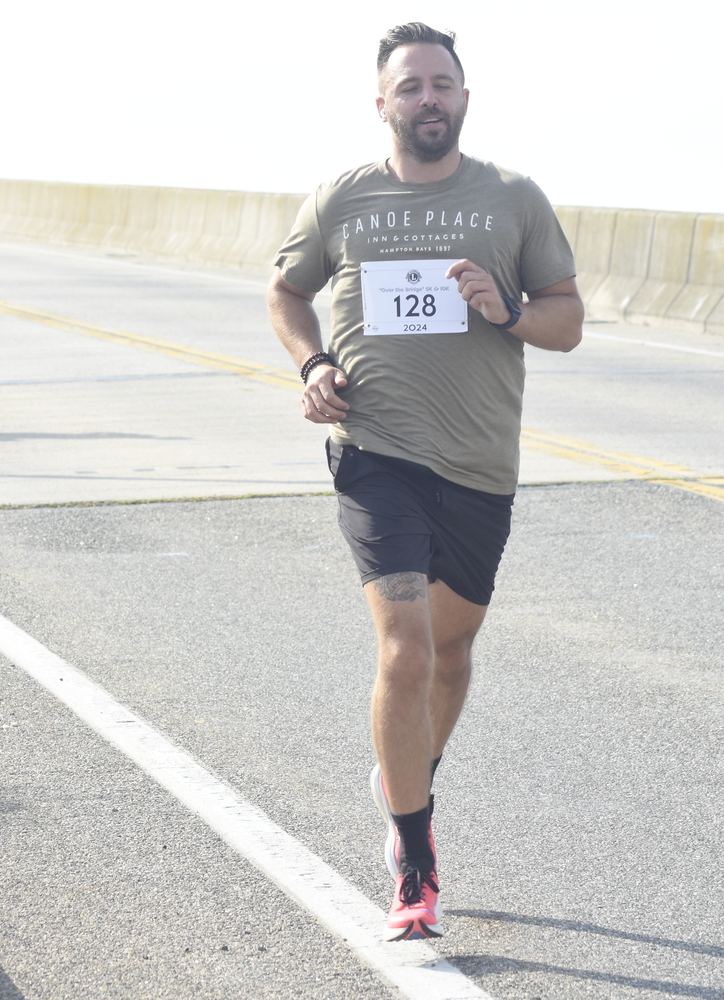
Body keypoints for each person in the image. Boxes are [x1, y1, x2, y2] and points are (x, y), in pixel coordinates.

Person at [267, 22, 583, 942]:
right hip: (376, 453)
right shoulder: (344, 198)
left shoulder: (513, 199)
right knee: (403, 647)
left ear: (465, 98)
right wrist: (313, 363)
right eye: (410, 88)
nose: (428, 100)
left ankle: (406, 773)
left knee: (450, 652)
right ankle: (415, 859)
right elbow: (286, 291)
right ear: (383, 105)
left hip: (481, 462)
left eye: (442, 84)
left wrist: (509, 308)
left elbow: (567, 323)